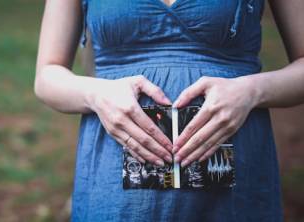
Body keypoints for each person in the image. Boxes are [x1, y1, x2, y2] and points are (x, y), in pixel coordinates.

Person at [34, 0, 304, 221]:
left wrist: (252, 90)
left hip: (234, 188)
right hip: (114, 189)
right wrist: (96, 94)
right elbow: (46, 76)